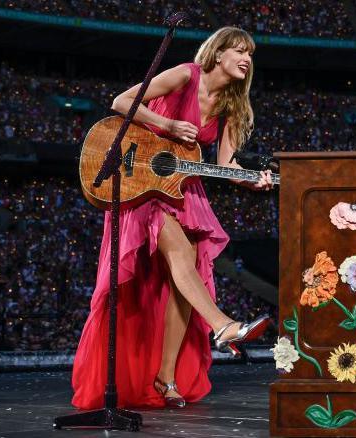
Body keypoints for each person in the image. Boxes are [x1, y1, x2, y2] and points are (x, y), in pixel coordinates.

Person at [71, 27, 273, 410]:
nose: (247, 58)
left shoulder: (232, 105)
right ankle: (223, 326)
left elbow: (226, 165)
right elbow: (122, 101)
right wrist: (167, 125)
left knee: (184, 279)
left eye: (251, 53)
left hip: (185, 191)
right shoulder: (185, 73)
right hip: (143, 184)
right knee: (181, 255)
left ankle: (166, 377)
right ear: (217, 54)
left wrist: (252, 182)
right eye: (239, 50)